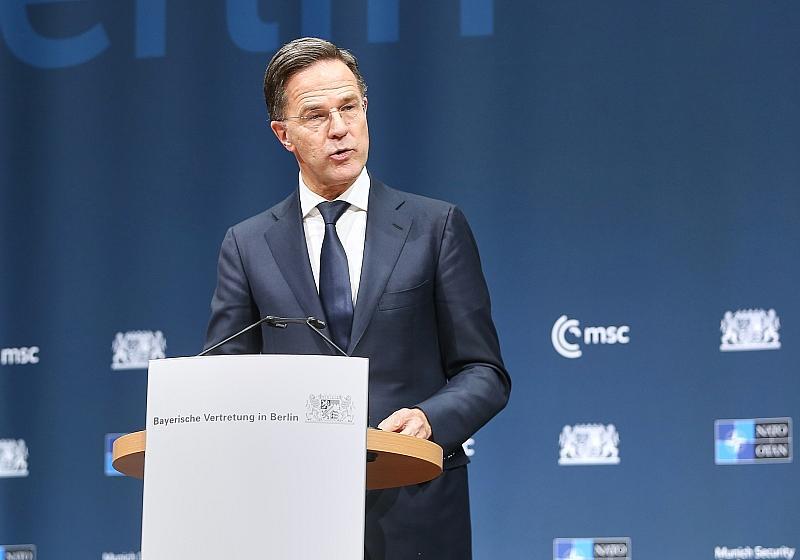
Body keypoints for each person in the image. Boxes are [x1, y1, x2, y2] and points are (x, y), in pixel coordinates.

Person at [205, 37, 511, 560]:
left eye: (349, 107)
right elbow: (223, 378)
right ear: (283, 134)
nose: (339, 128)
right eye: (315, 116)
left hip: (416, 505)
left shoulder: (435, 227)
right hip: (294, 513)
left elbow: (484, 371)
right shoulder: (248, 245)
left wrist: (430, 419)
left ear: (366, 109)